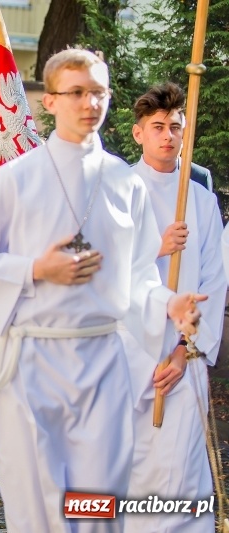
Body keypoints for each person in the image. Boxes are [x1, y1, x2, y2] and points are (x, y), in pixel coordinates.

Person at [0, 49, 205, 532]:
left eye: (99, 92)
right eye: (77, 92)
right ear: (50, 101)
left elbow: (137, 275)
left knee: (97, 505)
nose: (90, 103)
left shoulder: (126, 184)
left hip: (104, 365)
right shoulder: (13, 182)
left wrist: (170, 303)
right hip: (34, 364)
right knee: (43, 506)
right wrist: (35, 268)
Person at [119, 82, 225, 533]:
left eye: (176, 127)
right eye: (158, 127)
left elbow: (214, 282)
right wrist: (156, 250)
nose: (168, 135)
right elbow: (99, 272)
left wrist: (186, 350)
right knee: (129, 466)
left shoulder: (199, 198)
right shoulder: (118, 190)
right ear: (139, 133)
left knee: (180, 469)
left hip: (183, 354)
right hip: (128, 352)